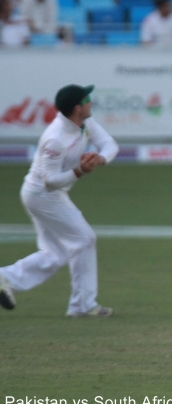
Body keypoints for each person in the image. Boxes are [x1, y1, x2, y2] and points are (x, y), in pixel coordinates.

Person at [0, 84, 118, 317]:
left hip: (48, 194)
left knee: (55, 254)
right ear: (77, 108)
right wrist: (80, 171)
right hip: (42, 195)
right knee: (84, 239)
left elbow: (110, 145)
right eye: (88, 99)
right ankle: (83, 306)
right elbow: (50, 181)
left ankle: (5, 277)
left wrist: (99, 159)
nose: (91, 102)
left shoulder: (84, 123)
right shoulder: (55, 139)